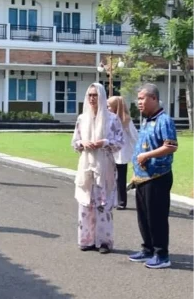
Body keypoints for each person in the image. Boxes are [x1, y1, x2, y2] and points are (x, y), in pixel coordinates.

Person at [128, 83, 178, 269]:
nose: (139, 102)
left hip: (157, 176)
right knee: (144, 217)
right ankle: (147, 249)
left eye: (142, 98)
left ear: (154, 99)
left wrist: (146, 156)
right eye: (138, 99)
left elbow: (171, 146)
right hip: (142, 177)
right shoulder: (147, 120)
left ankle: (161, 255)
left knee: (157, 217)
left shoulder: (164, 120)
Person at [71, 83, 124, 254]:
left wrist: (104, 143)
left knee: (103, 203)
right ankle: (86, 239)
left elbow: (120, 142)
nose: (92, 98)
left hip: (104, 165)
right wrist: (82, 143)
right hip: (86, 164)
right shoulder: (82, 119)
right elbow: (74, 142)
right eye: (90, 95)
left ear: (101, 96)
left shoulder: (112, 119)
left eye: (95, 95)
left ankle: (104, 241)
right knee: (86, 203)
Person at [107, 96, 138, 209]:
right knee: (110, 177)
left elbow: (134, 137)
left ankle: (121, 201)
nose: (107, 108)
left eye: (109, 106)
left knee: (120, 178)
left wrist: (138, 151)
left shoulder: (126, 120)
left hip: (121, 153)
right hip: (110, 152)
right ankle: (111, 199)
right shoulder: (108, 119)